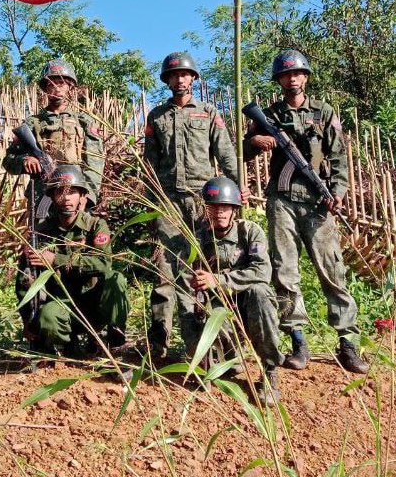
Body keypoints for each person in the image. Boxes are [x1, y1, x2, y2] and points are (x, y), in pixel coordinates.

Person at [243, 49, 368, 374]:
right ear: (280, 80)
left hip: (317, 201)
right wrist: (256, 142)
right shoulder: (269, 114)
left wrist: (337, 194)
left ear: (306, 77)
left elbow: (339, 159)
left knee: (332, 270)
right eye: (286, 74)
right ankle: (297, 341)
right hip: (282, 199)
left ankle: (348, 343)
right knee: (284, 271)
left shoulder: (324, 113)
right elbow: (243, 150)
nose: (292, 78)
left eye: (297, 73)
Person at [141, 51, 240, 362]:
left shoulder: (208, 113)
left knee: (206, 267)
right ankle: (159, 343)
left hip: (203, 201)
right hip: (168, 201)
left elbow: (225, 155)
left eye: (185, 74)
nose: (180, 79)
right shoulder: (156, 117)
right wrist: (150, 200)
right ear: (167, 80)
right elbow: (150, 163)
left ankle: (206, 342)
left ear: (194, 79)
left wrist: (237, 189)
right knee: (165, 270)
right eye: (174, 75)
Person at [171, 177, 282, 405]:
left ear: (234, 210)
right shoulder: (196, 238)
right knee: (214, 365)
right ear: (206, 209)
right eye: (213, 207)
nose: (219, 212)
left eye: (225, 207)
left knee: (260, 293)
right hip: (216, 308)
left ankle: (269, 370)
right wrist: (193, 341)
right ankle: (229, 357)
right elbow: (182, 286)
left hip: (248, 306)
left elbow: (262, 272)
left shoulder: (250, 232)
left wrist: (219, 280)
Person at [20, 164, 128, 359]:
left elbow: (104, 264)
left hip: (93, 304)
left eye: (73, 192)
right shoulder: (41, 232)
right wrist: (28, 319)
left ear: (82, 197)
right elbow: (25, 278)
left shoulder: (95, 225)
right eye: (61, 192)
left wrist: (56, 260)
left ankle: (113, 344)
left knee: (116, 279)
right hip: (62, 304)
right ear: (52, 197)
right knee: (49, 316)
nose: (67, 198)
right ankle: (68, 344)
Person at [4, 58, 106, 209]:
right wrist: (25, 160)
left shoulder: (84, 122)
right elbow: (8, 160)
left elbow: (95, 163)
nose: (56, 88)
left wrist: (88, 196)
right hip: (42, 193)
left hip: (75, 192)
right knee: (41, 232)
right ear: (45, 88)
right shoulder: (32, 124)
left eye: (61, 83)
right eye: (51, 84)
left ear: (70, 87)